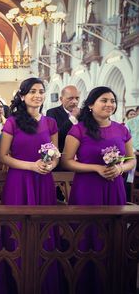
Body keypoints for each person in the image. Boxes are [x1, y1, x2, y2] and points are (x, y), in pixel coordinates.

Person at [61, 86, 136, 293]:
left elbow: (131, 159)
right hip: (87, 189)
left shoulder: (122, 129)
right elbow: (66, 161)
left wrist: (120, 167)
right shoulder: (78, 130)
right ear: (91, 104)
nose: (109, 104)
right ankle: (84, 282)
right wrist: (95, 168)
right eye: (104, 100)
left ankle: (112, 283)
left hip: (115, 188)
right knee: (87, 236)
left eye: (112, 101)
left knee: (114, 236)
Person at [0, 77, 61, 293]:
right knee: (18, 229)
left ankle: (44, 279)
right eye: (32, 91)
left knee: (43, 229)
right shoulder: (12, 122)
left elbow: (56, 154)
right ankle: (15, 280)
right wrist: (30, 166)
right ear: (23, 96)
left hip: (43, 180)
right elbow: (3, 156)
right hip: (19, 180)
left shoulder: (51, 122)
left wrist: (51, 165)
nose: (37, 95)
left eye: (41, 91)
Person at [46, 85, 80, 152]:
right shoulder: (52, 112)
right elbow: (57, 136)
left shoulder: (83, 113)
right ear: (61, 99)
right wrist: (72, 118)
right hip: (63, 152)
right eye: (70, 98)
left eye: (77, 98)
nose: (74, 101)